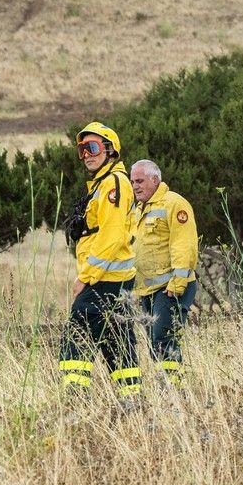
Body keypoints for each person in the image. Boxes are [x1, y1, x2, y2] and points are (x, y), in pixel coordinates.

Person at [58, 123, 140, 400]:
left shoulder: (114, 184)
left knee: (78, 329)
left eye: (92, 148)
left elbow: (112, 236)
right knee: (117, 338)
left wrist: (86, 276)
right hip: (113, 277)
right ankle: (132, 397)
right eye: (82, 150)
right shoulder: (103, 184)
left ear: (110, 150)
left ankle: (74, 395)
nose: (87, 155)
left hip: (106, 278)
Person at [128, 159, 198, 387]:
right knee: (155, 342)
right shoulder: (139, 209)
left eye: (139, 181)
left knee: (163, 339)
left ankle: (172, 391)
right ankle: (168, 388)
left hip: (170, 289)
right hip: (148, 290)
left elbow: (184, 246)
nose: (135, 186)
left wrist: (177, 284)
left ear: (155, 179)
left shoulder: (174, 204)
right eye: (132, 182)